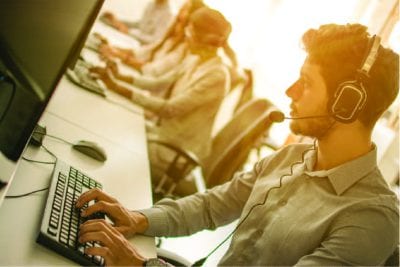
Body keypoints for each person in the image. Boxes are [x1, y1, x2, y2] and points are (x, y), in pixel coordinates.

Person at [76, 23, 399, 266]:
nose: (290, 91)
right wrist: (139, 219)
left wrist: (142, 265)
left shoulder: (371, 218)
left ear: (347, 104)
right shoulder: (291, 157)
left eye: (307, 82)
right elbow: (210, 206)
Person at [92, 7, 232, 196]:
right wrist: (119, 77)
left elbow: (169, 109)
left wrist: (117, 87)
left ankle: (103, 194)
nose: (185, 34)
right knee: (111, 121)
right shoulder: (196, 58)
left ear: (205, 39)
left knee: (114, 139)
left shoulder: (216, 75)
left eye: (189, 30)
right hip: (164, 133)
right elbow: (158, 83)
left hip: (175, 152)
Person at [100, 0, 173, 45]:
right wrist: (116, 20)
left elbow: (154, 41)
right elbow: (141, 24)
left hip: (141, 49)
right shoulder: (152, 4)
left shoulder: (169, 14)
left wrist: (129, 32)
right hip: (134, 41)